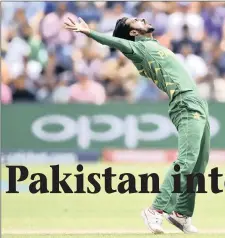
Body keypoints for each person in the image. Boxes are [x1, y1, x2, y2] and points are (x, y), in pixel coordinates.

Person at [64, 16, 210, 234]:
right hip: (184, 102)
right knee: (187, 160)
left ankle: (181, 214)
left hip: (198, 102)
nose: (142, 18)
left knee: (198, 164)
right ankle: (155, 210)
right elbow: (116, 43)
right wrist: (89, 32)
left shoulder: (153, 45)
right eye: (135, 20)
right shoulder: (137, 48)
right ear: (132, 33)